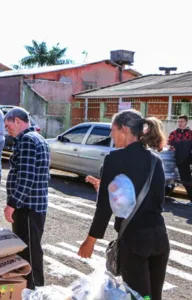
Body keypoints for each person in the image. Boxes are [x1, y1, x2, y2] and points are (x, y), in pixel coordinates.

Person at [78, 109, 169, 300]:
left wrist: (90, 241)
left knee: (138, 296)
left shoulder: (114, 159)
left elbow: (104, 207)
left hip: (135, 240)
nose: (111, 134)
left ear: (125, 130)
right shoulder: (155, 160)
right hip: (160, 237)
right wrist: (114, 193)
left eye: (113, 130)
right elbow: (157, 199)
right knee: (154, 297)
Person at [3, 107, 50, 290]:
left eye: (8, 126)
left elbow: (26, 177)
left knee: (28, 249)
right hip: (32, 205)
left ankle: (33, 288)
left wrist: (11, 204)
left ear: (17, 121)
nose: (8, 130)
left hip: (27, 207)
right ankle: (31, 287)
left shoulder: (28, 141)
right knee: (30, 247)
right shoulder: (37, 138)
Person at [167, 115, 192, 207]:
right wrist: (171, 148)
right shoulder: (173, 134)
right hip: (180, 160)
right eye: (179, 121)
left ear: (186, 122)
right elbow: (169, 146)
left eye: (182, 121)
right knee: (186, 180)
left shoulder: (191, 133)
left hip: (189, 158)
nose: (180, 123)